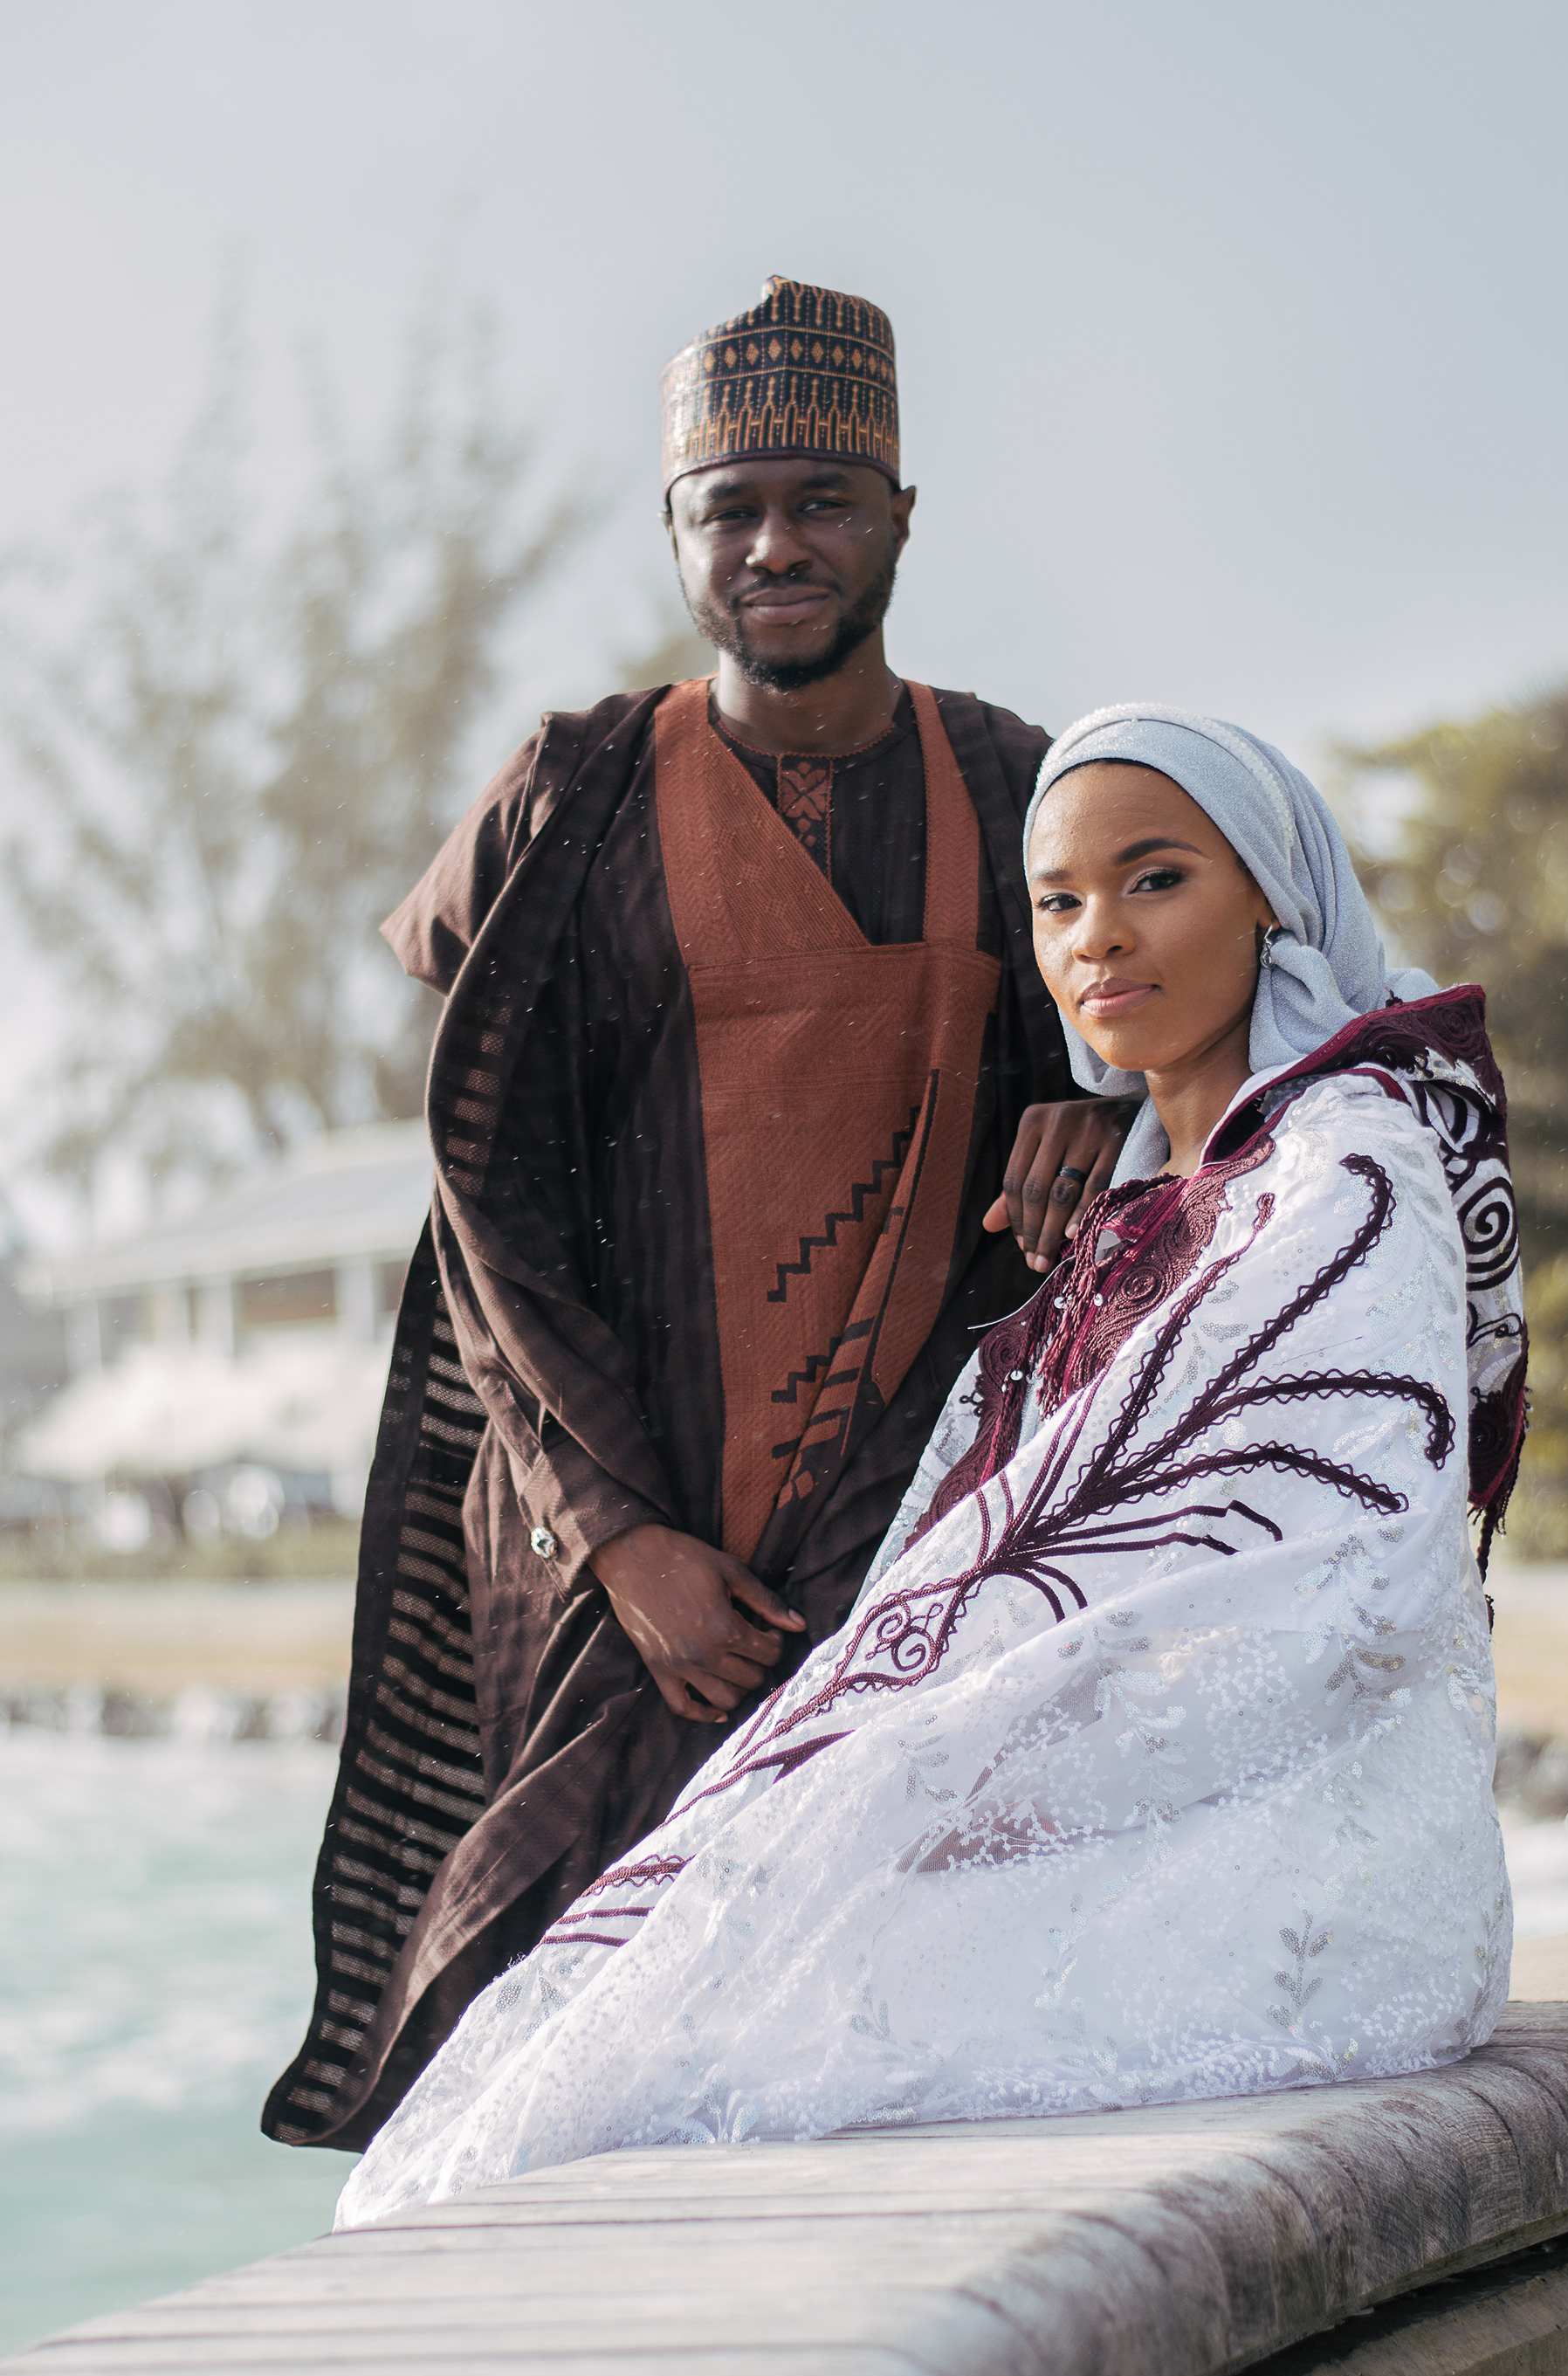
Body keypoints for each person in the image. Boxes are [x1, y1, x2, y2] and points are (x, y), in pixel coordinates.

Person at [334, 703, 1529, 2227]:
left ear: (1273, 899)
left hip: (1286, 1871)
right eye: (1059, 903)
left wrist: (950, 1762)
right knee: (623, 2011)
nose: (1100, 937)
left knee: (704, 2031)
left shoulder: (1340, 1168)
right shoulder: (1147, 1182)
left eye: (1157, 880)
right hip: (1126, 1818)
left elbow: (1330, 1569)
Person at [265, 279, 1127, 2154]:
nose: (775, 545)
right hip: (613, 1538)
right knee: (555, 2007)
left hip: (907, 1523)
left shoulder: (1020, 786)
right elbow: (488, 1194)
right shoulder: (568, 796)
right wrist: (621, 1538)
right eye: (729, 509)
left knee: (882, 2000)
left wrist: (1100, 1103)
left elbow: (1176, 1040)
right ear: (674, 533)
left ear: (903, 517)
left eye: (825, 502)